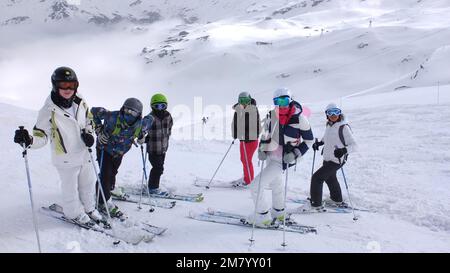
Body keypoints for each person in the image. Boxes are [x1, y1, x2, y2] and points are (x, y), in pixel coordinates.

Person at [13, 66, 103, 226]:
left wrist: (89, 133)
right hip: (65, 158)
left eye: (72, 85)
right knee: (70, 188)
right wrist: (29, 140)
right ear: (55, 86)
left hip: (84, 153)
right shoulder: (48, 110)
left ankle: (89, 208)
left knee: (88, 183)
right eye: (63, 85)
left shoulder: (80, 101)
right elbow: (41, 135)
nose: (68, 89)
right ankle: (74, 213)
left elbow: (89, 119)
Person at [247, 88, 314, 226]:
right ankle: (279, 211)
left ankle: (262, 216)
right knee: (275, 184)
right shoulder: (272, 116)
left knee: (255, 186)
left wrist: (296, 153)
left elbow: (309, 140)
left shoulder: (300, 118)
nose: (281, 104)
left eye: (284, 100)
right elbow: (265, 134)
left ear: (290, 100)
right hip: (271, 156)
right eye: (277, 101)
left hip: (284, 158)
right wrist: (261, 149)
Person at [91, 98, 153, 218]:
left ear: (138, 114)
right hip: (104, 148)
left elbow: (150, 119)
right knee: (105, 175)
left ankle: (110, 189)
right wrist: (99, 130)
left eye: (133, 112)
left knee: (113, 172)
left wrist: (141, 136)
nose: (129, 113)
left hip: (120, 152)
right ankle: (102, 202)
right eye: (127, 110)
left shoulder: (141, 124)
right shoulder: (111, 116)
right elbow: (93, 111)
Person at [301, 103, 357, 212]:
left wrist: (343, 151)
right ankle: (337, 199)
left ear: (340, 113)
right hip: (327, 158)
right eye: (330, 112)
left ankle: (315, 204)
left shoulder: (344, 127)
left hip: (337, 159)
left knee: (317, 178)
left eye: (336, 112)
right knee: (330, 178)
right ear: (327, 115)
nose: (333, 115)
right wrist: (320, 143)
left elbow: (355, 145)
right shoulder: (329, 125)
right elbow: (327, 137)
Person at [143, 93, 173, 195]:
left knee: (160, 168)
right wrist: (143, 136)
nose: (160, 109)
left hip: (163, 148)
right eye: (157, 106)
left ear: (166, 106)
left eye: (162, 106)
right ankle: (153, 188)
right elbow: (141, 129)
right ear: (152, 106)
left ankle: (153, 185)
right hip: (153, 149)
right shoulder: (149, 118)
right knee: (158, 168)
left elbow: (169, 127)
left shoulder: (168, 116)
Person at [231, 91, 261, 187]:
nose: (244, 103)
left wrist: (245, 135)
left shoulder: (253, 110)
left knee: (247, 160)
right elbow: (235, 123)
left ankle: (249, 181)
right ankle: (246, 176)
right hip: (242, 140)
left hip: (251, 141)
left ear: (249, 100)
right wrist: (235, 134)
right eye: (241, 100)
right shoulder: (238, 110)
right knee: (243, 159)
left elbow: (256, 128)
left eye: (246, 100)